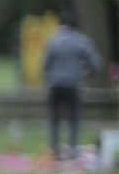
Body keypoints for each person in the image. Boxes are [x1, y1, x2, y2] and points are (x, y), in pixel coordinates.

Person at [43, 10, 104, 160]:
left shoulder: (53, 40)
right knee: (74, 118)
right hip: (73, 84)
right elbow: (97, 63)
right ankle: (73, 149)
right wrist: (86, 72)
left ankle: (55, 149)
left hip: (55, 84)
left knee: (55, 118)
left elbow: (45, 65)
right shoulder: (81, 41)